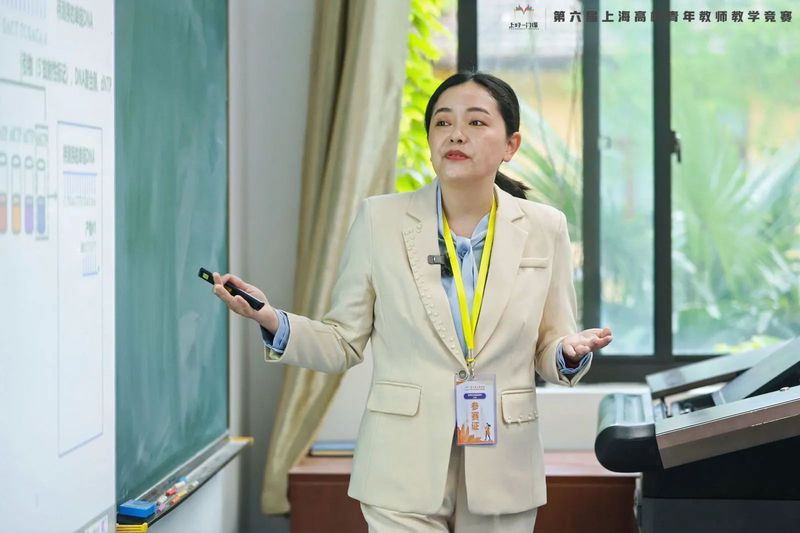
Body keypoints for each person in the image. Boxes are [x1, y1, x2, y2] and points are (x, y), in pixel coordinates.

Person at [213, 71, 613, 532]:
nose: (456, 134)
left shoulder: (546, 227)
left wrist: (566, 353)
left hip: (504, 465)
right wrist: (272, 319)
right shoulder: (380, 219)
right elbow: (342, 341)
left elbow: (549, 344)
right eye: (442, 122)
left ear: (511, 145)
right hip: (401, 465)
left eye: (476, 122)